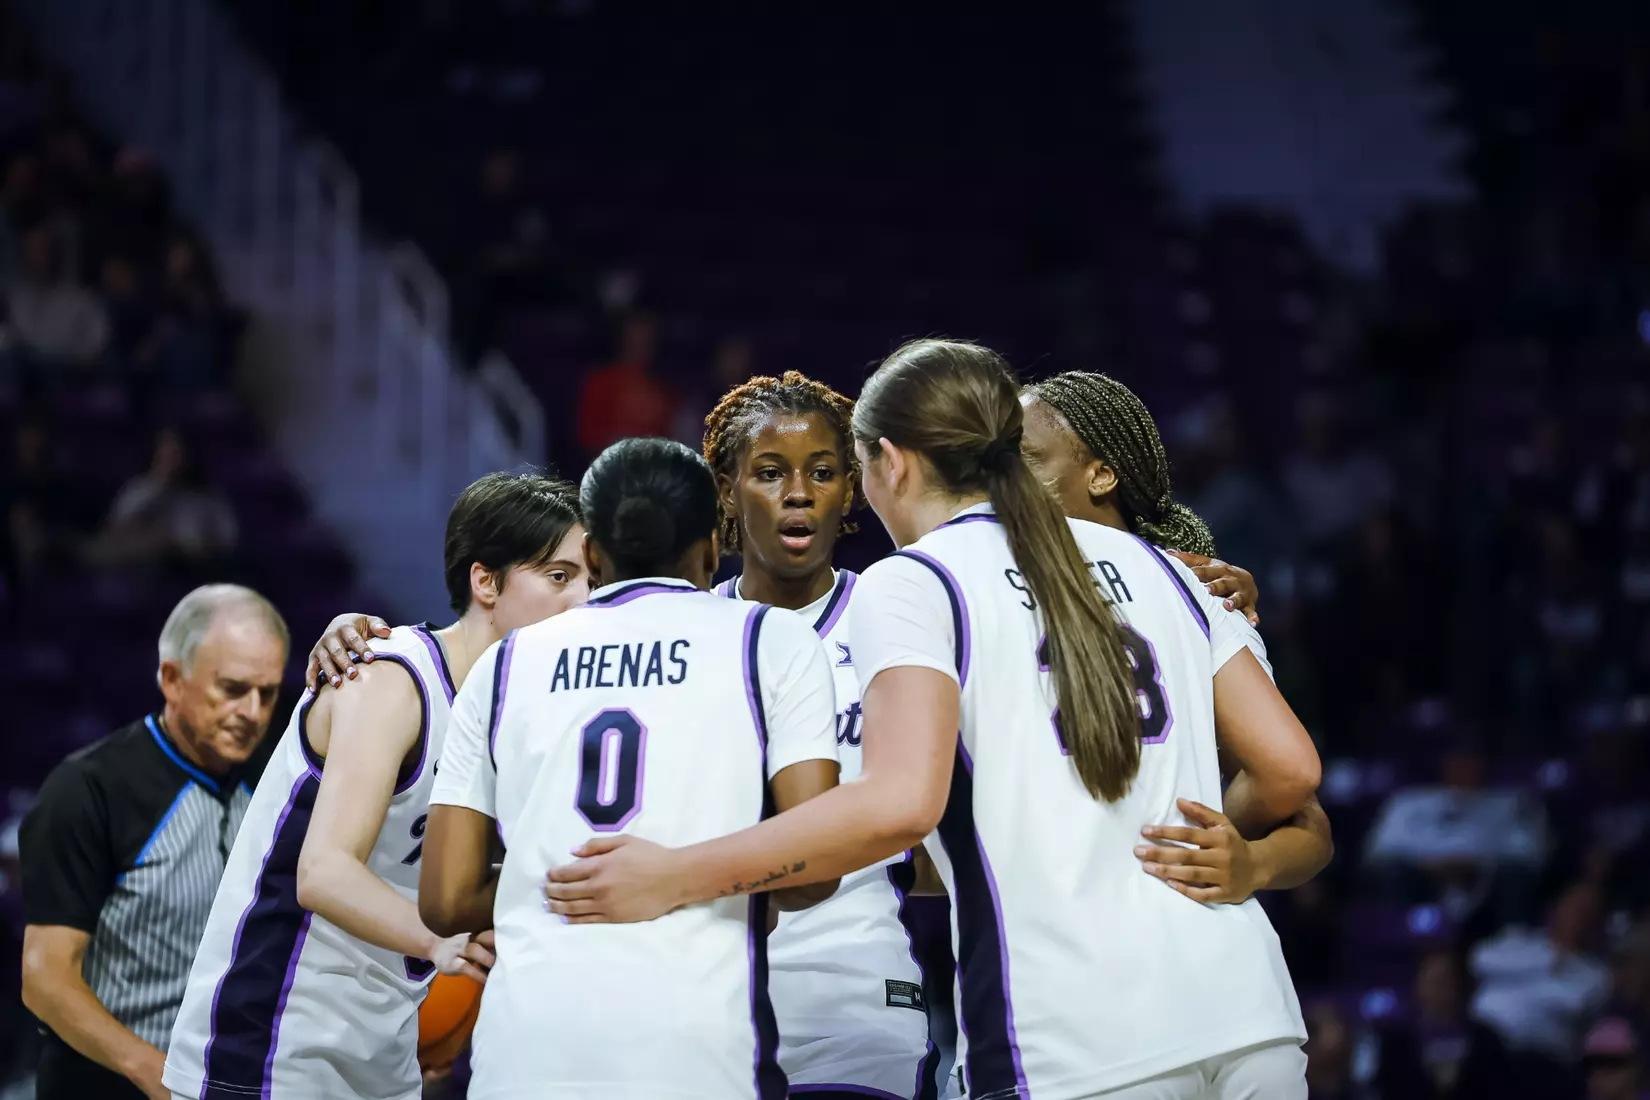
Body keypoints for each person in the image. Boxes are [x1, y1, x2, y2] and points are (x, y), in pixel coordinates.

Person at [544, 339, 1320, 1100]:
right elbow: (1292, 771)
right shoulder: (1163, 566)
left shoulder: (916, 581)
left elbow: (899, 807)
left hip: (1078, 1038)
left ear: (886, 463)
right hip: (1245, 1009)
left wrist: (676, 874)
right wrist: (1163, 837)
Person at [420, 437, 842, 1099]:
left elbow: (445, 900)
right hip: (699, 1052)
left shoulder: (506, 664)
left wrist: (557, 877)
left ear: (590, 553)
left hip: (523, 1054)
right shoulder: (772, 641)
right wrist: (683, 876)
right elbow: (815, 869)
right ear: (712, 546)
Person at [162, 472, 586, 1100]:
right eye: (558, 576)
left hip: (385, 1049)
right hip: (273, 1034)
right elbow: (324, 872)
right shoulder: (390, 678)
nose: (581, 600)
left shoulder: (524, 720)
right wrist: (442, 941)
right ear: (485, 582)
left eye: (592, 580)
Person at [701, 370, 938, 1098]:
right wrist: (360, 640)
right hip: (700, 998)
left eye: (823, 472)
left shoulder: (907, 618)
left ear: (851, 492)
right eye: (770, 473)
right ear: (728, 495)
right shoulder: (681, 636)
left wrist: (1182, 579)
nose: (798, 492)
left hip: (856, 990)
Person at [1018, 369, 1334, 901]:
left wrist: (1241, 856)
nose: (1003, 482)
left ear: (1099, 476)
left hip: (1122, 918)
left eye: (1025, 459)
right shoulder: (1197, 588)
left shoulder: (1202, 591)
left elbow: (1301, 804)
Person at [19, 585, 288, 1100]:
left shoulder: (276, 782)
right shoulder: (88, 789)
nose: (253, 712)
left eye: (268, 692)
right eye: (232, 689)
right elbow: (44, 977)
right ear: (171, 679)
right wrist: (156, 1072)